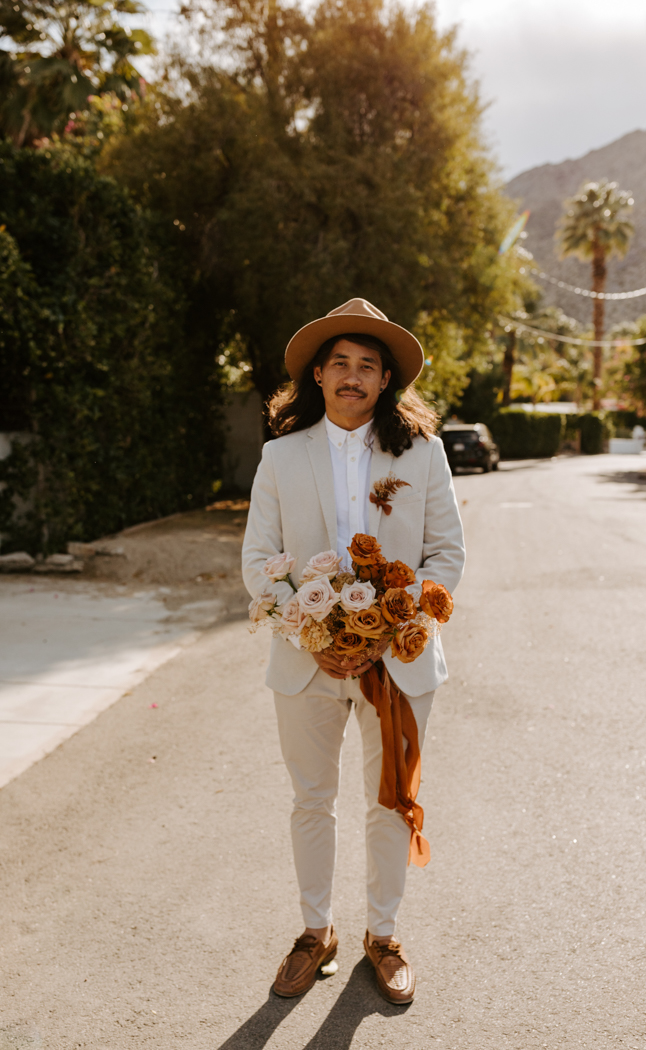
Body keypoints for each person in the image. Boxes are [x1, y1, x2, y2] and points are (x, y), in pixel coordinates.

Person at [242, 298, 465, 1004]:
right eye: (340, 362)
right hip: (305, 661)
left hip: (397, 663)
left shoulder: (422, 453)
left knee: (390, 803)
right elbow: (258, 562)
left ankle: (384, 935)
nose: (353, 376)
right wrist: (319, 633)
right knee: (312, 800)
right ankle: (317, 933)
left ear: (385, 381)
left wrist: (386, 633)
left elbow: (445, 555)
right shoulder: (280, 454)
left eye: (368, 366)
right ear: (317, 373)